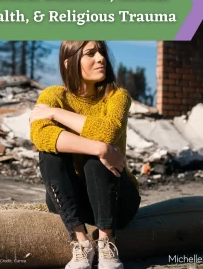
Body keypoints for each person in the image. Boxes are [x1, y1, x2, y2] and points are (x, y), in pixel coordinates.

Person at [29, 41, 141, 269]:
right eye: (90, 53)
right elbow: (40, 135)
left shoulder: (118, 96)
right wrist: (100, 149)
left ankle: (106, 243)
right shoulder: (53, 95)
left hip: (117, 199)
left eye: (102, 53)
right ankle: (81, 243)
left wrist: (55, 113)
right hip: (74, 199)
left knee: (97, 159)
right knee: (52, 153)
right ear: (69, 62)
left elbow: (107, 130)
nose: (101, 58)